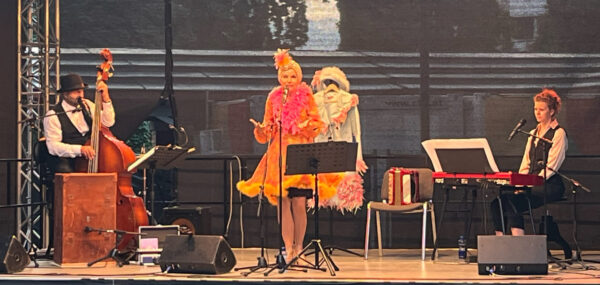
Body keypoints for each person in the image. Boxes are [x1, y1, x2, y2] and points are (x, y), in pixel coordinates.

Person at [236, 49, 333, 264]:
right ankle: (288, 248)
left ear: (299, 77)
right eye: (284, 76)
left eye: (293, 76)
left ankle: (299, 247)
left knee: (299, 202)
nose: (288, 80)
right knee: (283, 202)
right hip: (278, 156)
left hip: (301, 154)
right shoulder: (273, 97)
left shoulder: (306, 96)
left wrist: (307, 126)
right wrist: (262, 130)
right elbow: (267, 131)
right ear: (279, 77)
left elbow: (317, 124)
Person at [491, 88, 567, 236]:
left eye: (542, 109)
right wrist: (519, 184)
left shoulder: (559, 133)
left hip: (549, 184)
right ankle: (500, 244)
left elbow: (551, 167)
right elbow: (526, 163)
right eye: (535, 109)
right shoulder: (532, 133)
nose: (537, 113)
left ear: (551, 111)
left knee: (512, 200)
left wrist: (528, 185)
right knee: (498, 202)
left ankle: (519, 244)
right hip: (531, 183)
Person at [310, 66, 368, 213]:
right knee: (322, 188)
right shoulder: (315, 101)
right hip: (321, 149)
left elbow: (357, 132)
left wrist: (357, 157)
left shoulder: (349, 100)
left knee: (345, 188)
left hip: (344, 147)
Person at [43, 73, 115, 173]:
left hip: (91, 156)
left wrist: (106, 100)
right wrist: (80, 150)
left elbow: (108, 122)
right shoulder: (53, 115)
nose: (81, 95)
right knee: (65, 170)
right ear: (65, 94)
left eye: (81, 91)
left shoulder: (88, 105)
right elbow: (53, 147)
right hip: (68, 159)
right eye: (76, 92)